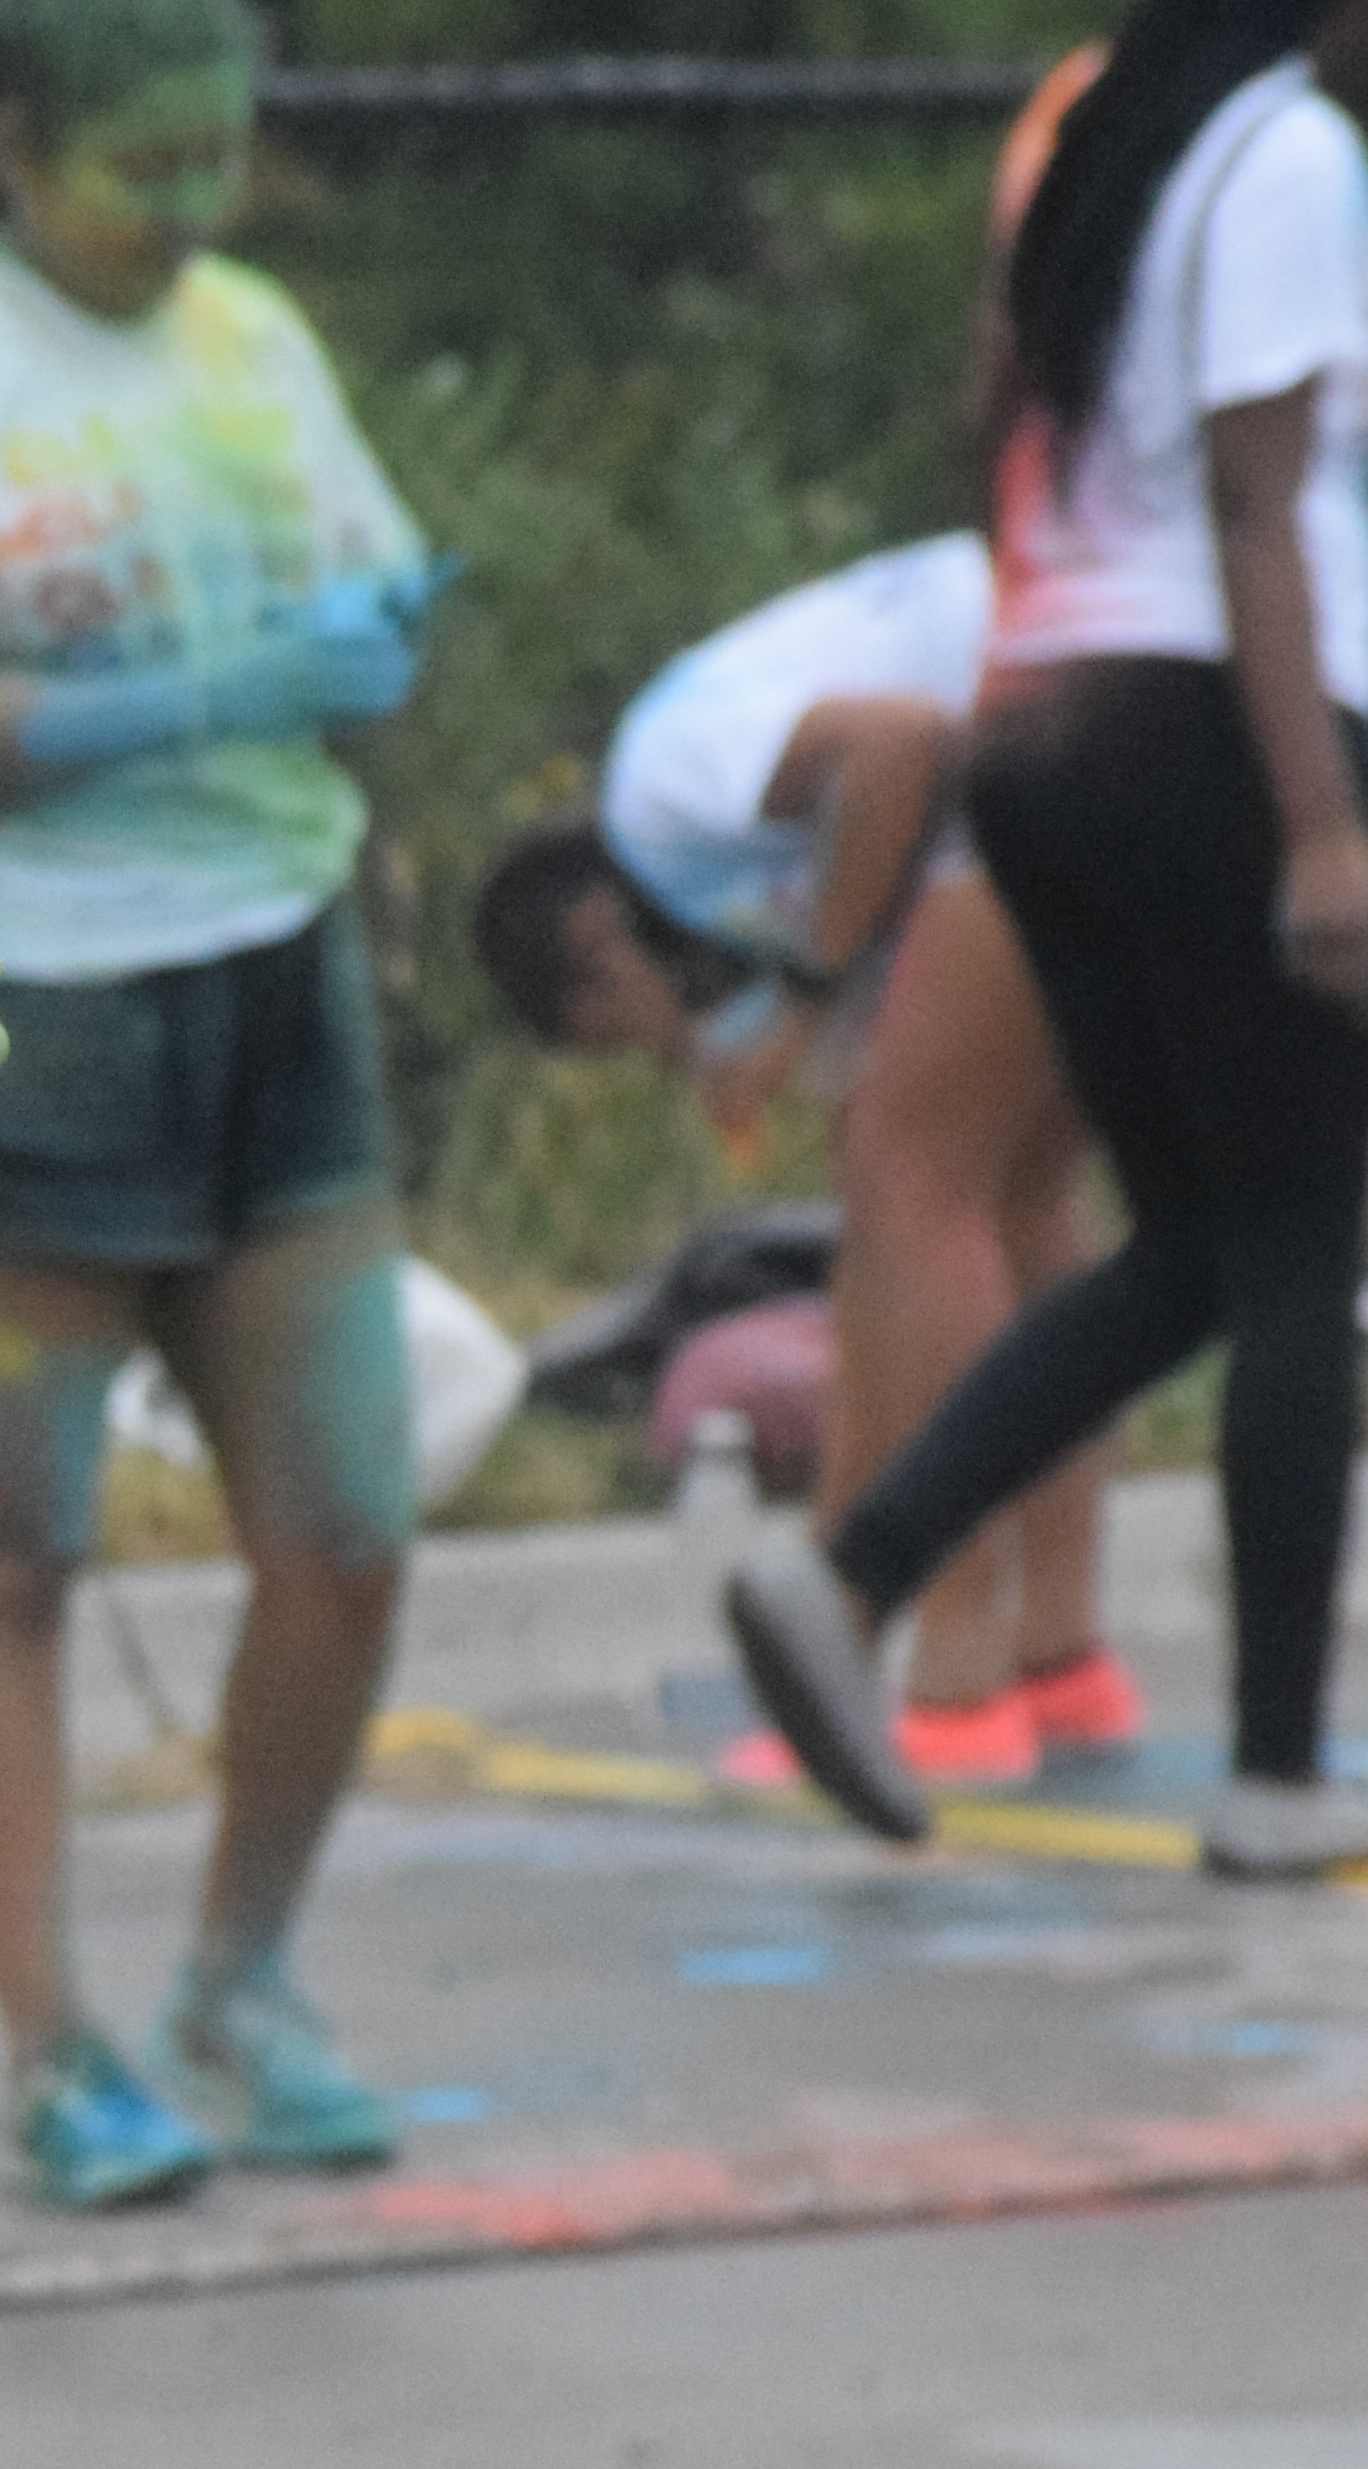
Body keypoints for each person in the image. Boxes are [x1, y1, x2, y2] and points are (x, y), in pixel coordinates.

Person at [0, 0, 446, 2209]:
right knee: (22, 1546)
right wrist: (193, 697)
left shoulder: (253, 335)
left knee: (345, 1524)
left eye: (215, 158)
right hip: (38, 994)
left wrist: (370, 636)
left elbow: (361, 567)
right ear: (18, 145)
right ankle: (53, 2043)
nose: (184, 208)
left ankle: (240, 1975)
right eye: (138, 166)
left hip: (276, 962)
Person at [729, 0, 1368, 1875]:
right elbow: (1256, 507)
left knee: (1203, 1251)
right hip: (1214, 722)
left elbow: (1006, 416)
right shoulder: (1287, 152)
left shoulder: (1114, 142)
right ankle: (1283, 1772)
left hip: (1044, 720)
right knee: (1303, 1248)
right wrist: (1321, 828)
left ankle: (852, 1580)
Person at [472, 533, 1133, 1788]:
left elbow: (895, 746)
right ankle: (1059, 1655)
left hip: (1040, 713)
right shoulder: (755, 870)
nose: (671, 1059)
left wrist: (796, 994)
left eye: (629, 1036)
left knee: (910, 1187)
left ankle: (951, 1671)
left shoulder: (666, 784)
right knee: (1023, 1191)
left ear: (602, 941)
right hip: (1116, 695)